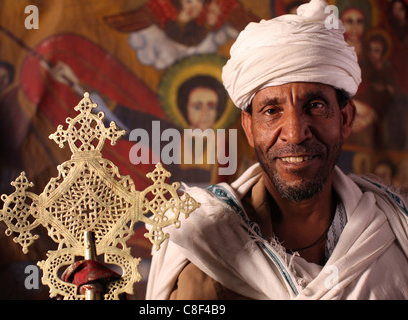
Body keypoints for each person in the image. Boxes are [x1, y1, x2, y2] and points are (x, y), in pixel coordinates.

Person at [146, 0, 408, 299]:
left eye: (316, 106)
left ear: (345, 119)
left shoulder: (394, 238)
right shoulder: (206, 251)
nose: (295, 134)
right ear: (249, 127)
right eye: (271, 110)